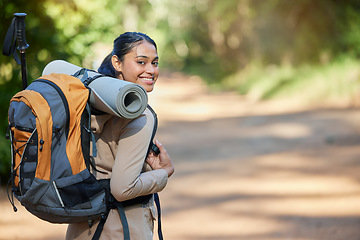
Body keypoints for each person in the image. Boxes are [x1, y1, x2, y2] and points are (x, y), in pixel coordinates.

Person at [66, 32, 174, 240]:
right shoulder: (140, 115)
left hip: (82, 227)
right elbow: (122, 188)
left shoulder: (87, 100)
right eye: (141, 62)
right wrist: (163, 172)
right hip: (123, 229)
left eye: (155, 63)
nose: (151, 70)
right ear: (117, 62)